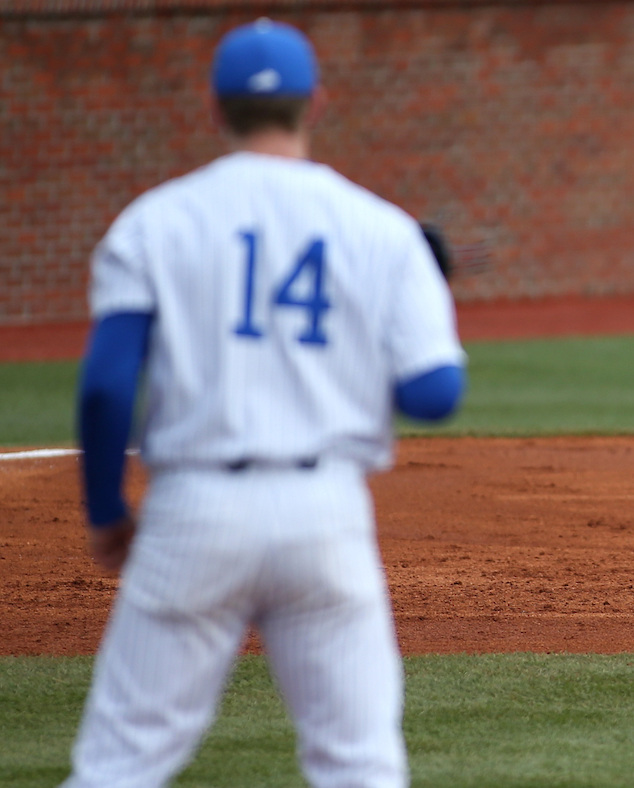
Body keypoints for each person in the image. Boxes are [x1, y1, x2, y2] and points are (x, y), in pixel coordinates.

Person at [65, 18, 466, 787]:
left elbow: (108, 384)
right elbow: (436, 393)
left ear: (215, 110)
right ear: (315, 104)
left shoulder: (155, 221)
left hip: (194, 513)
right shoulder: (380, 230)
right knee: (361, 766)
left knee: (117, 766)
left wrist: (106, 511)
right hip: (324, 515)